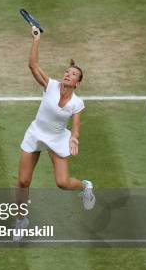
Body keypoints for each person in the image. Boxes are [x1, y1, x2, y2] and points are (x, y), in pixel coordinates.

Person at [15, 26, 95, 238]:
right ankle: (21, 220)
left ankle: (86, 186)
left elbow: (75, 125)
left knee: (62, 183)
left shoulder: (77, 103)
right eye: (68, 72)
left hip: (58, 138)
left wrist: (75, 139)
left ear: (77, 83)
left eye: (74, 75)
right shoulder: (50, 85)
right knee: (23, 181)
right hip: (36, 134)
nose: (68, 75)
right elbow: (32, 65)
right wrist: (36, 39)